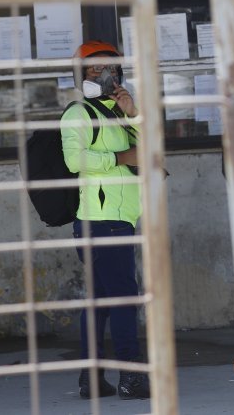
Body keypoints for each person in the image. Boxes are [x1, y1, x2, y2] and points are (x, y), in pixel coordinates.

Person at [61, 40, 150, 400]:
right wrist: (119, 156)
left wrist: (132, 113)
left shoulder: (116, 111)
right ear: (81, 74)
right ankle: (131, 376)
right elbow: (74, 161)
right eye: (94, 69)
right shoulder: (77, 114)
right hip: (101, 222)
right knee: (124, 300)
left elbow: (148, 149)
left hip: (117, 219)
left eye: (107, 68)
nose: (102, 74)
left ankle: (92, 379)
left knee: (99, 304)